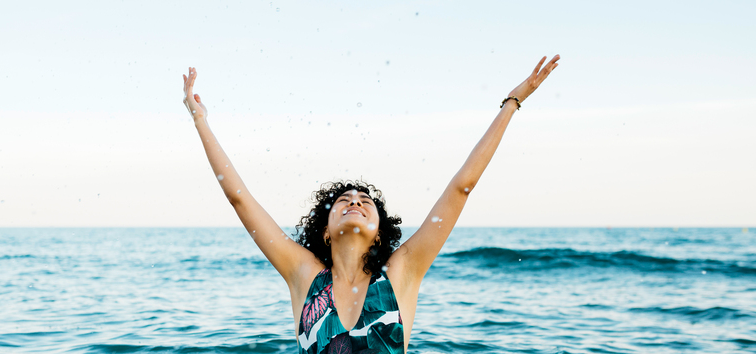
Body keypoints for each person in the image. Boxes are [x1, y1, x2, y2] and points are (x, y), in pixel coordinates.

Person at [181, 55, 560, 353]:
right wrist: (201, 120)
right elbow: (239, 198)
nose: (355, 202)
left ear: (380, 233)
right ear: (326, 232)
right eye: (343, 201)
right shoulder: (304, 274)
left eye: (365, 201)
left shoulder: (402, 272)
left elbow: (462, 187)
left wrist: (512, 103)